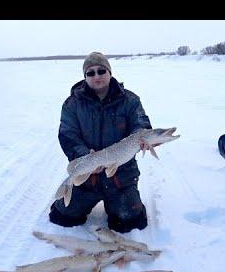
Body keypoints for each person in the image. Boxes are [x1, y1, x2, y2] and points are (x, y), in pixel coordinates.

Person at [48, 51, 152, 233]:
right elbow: (67, 135)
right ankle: (69, 190)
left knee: (130, 222)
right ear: (85, 77)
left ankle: (120, 202)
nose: (97, 76)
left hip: (121, 177)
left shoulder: (130, 100)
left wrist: (142, 137)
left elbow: (141, 124)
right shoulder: (72, 104)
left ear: (109, 73)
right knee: (62, 217)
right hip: (88, 179)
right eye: (91, 72)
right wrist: (84, 156)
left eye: (101, 71)